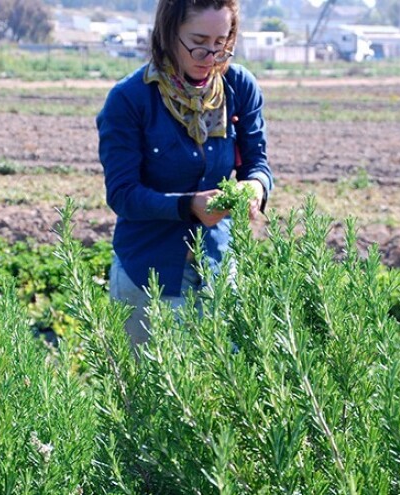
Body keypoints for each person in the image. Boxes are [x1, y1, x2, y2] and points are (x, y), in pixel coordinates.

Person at [96, 0, 273, 349]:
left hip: (219, 271)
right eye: (198, 40)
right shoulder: (130, 99)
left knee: (224, 390)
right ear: (168, 33)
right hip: (149, 276)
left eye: (221, 42)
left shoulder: (239, 88)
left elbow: (259, 164)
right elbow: (122, 194)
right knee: (152, 397)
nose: (210, 54)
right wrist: (188, 206)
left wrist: (255, 186)